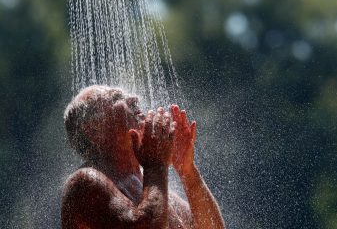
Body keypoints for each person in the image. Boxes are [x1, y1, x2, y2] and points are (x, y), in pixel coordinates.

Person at [61, 85, 225, 229]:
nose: (134, 98)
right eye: (117, 97)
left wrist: (187, 171)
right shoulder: (84, 183)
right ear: (93, 130)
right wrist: (156, 165)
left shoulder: (151, 188)